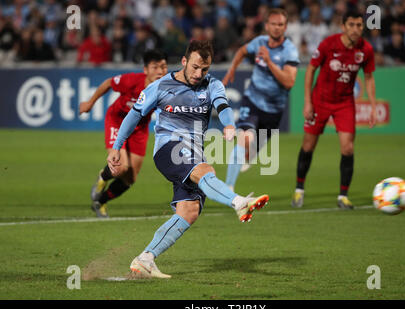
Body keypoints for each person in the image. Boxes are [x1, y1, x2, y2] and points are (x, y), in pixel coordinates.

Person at [107, 40, 270, 278]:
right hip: (168, 149)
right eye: (194, 67)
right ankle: (238, 202)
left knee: (189, 210)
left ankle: (145, 259)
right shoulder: (161, 85)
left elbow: (223, 106)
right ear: (184, 62)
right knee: (205, 170)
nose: (198, 73)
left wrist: (229, 125)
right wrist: (117, 146)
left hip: (193, 153)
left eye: (204, 69)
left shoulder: (212, 84)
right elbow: (134, 116)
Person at [291, 10, 377, 209]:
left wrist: (372, 107)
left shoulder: (366, 50)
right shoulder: (328, 44)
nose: (356, 29)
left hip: (345, 103)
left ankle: (343, 196)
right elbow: (311, 69)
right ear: (343, 27)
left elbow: (369, 78)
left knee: (348, 147)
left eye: (359, 25)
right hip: (320, 100)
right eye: (352, 25)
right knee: (308, 145)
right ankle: (299, 189)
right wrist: (307, 101)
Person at [79, 49, 168, 218]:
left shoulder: (165, 89)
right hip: (117, 121)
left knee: (130, 178)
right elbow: (108, 83)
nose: (160, 71)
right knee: (121, 167)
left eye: (163, 67)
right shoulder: (132, 81)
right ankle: (103, 177)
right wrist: (90, 103)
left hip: (139, 129)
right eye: (155, 67)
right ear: (145, 70)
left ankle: (101, 201)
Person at [222, 8, 300, 190]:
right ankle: (228, 189)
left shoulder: (290, 51)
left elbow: (289, 82)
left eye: (280, 24)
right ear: (267, 26)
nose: (276, 28)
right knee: (245, 138)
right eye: (273, 24)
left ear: (285, 27)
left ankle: (249, 157)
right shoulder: (259, 42)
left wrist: (270, 61)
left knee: (252, 151)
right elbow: (242, 50)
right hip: (252, 100)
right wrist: (232, 69)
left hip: (274, 110)